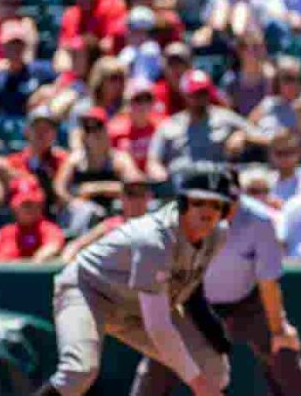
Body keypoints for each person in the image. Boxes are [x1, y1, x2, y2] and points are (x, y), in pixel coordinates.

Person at [33, 167, 237, 396]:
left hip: (137, 304)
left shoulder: (218, 235)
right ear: (182, 203)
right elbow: (158, 326)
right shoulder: (155, 239)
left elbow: (190, 281)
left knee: (214, 369)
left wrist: (209, 328)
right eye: (199, 202)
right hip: (89, 290)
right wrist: (198, 384)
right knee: (78, 372)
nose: (207, 212)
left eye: (216, 204)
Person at [131, 192, 301, 396]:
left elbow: (268, 282)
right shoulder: (177, 221)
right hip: (194, 302)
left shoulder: (258, 218)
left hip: (247, 301)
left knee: (283, 350)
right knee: (161, 358)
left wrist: (278, 329)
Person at [147, 70, 269, 183]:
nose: (200, 99)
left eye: (204, 93)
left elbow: (265, 139)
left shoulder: (225, 118)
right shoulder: (169, 125)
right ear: (184, 95)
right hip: (180, 183)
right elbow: (153, 160)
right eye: (195, 94)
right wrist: (160, 174)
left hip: (216, 184)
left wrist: (244, 137)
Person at [0, 106, 68, 216]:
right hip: (17, 214)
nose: (41, 133)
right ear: (27, 131)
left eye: (47, 129)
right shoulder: (15, 160)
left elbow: (57, 192)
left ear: (54, 134)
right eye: (37, 127)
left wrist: (14, 174)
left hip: (49, 213)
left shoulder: (62, 159)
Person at [0, 21, 52, 130]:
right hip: (8, 129)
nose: (15, 49)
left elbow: (66, 80)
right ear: (3, 47)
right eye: (10, 45)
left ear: (24, 46)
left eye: (18, 45)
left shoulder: (40, 69)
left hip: (36, 126)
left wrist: (45, 91)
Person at [60, 173, 154, 263]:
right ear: (122, 197)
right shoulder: (110, 225)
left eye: (140, 193)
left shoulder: (156, 225)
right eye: (130, 193)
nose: (136, 200)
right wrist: (66, 261)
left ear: (149, 197)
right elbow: (76, 245)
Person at [0, 176, 64, 262]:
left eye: (32, 203)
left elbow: (52, 246)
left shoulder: (48, 228)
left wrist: (34, 261)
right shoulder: (7, 232)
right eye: (24, 205)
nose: (29, 208)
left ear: (40, 204)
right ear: (14, 207)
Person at [109, 78, 165, 172]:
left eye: (147, 100)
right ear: (128, 103)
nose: (143, 105)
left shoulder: (162, 126)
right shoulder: (114, 128)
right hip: (127, 181)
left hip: (156, 180)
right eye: (138, 100)